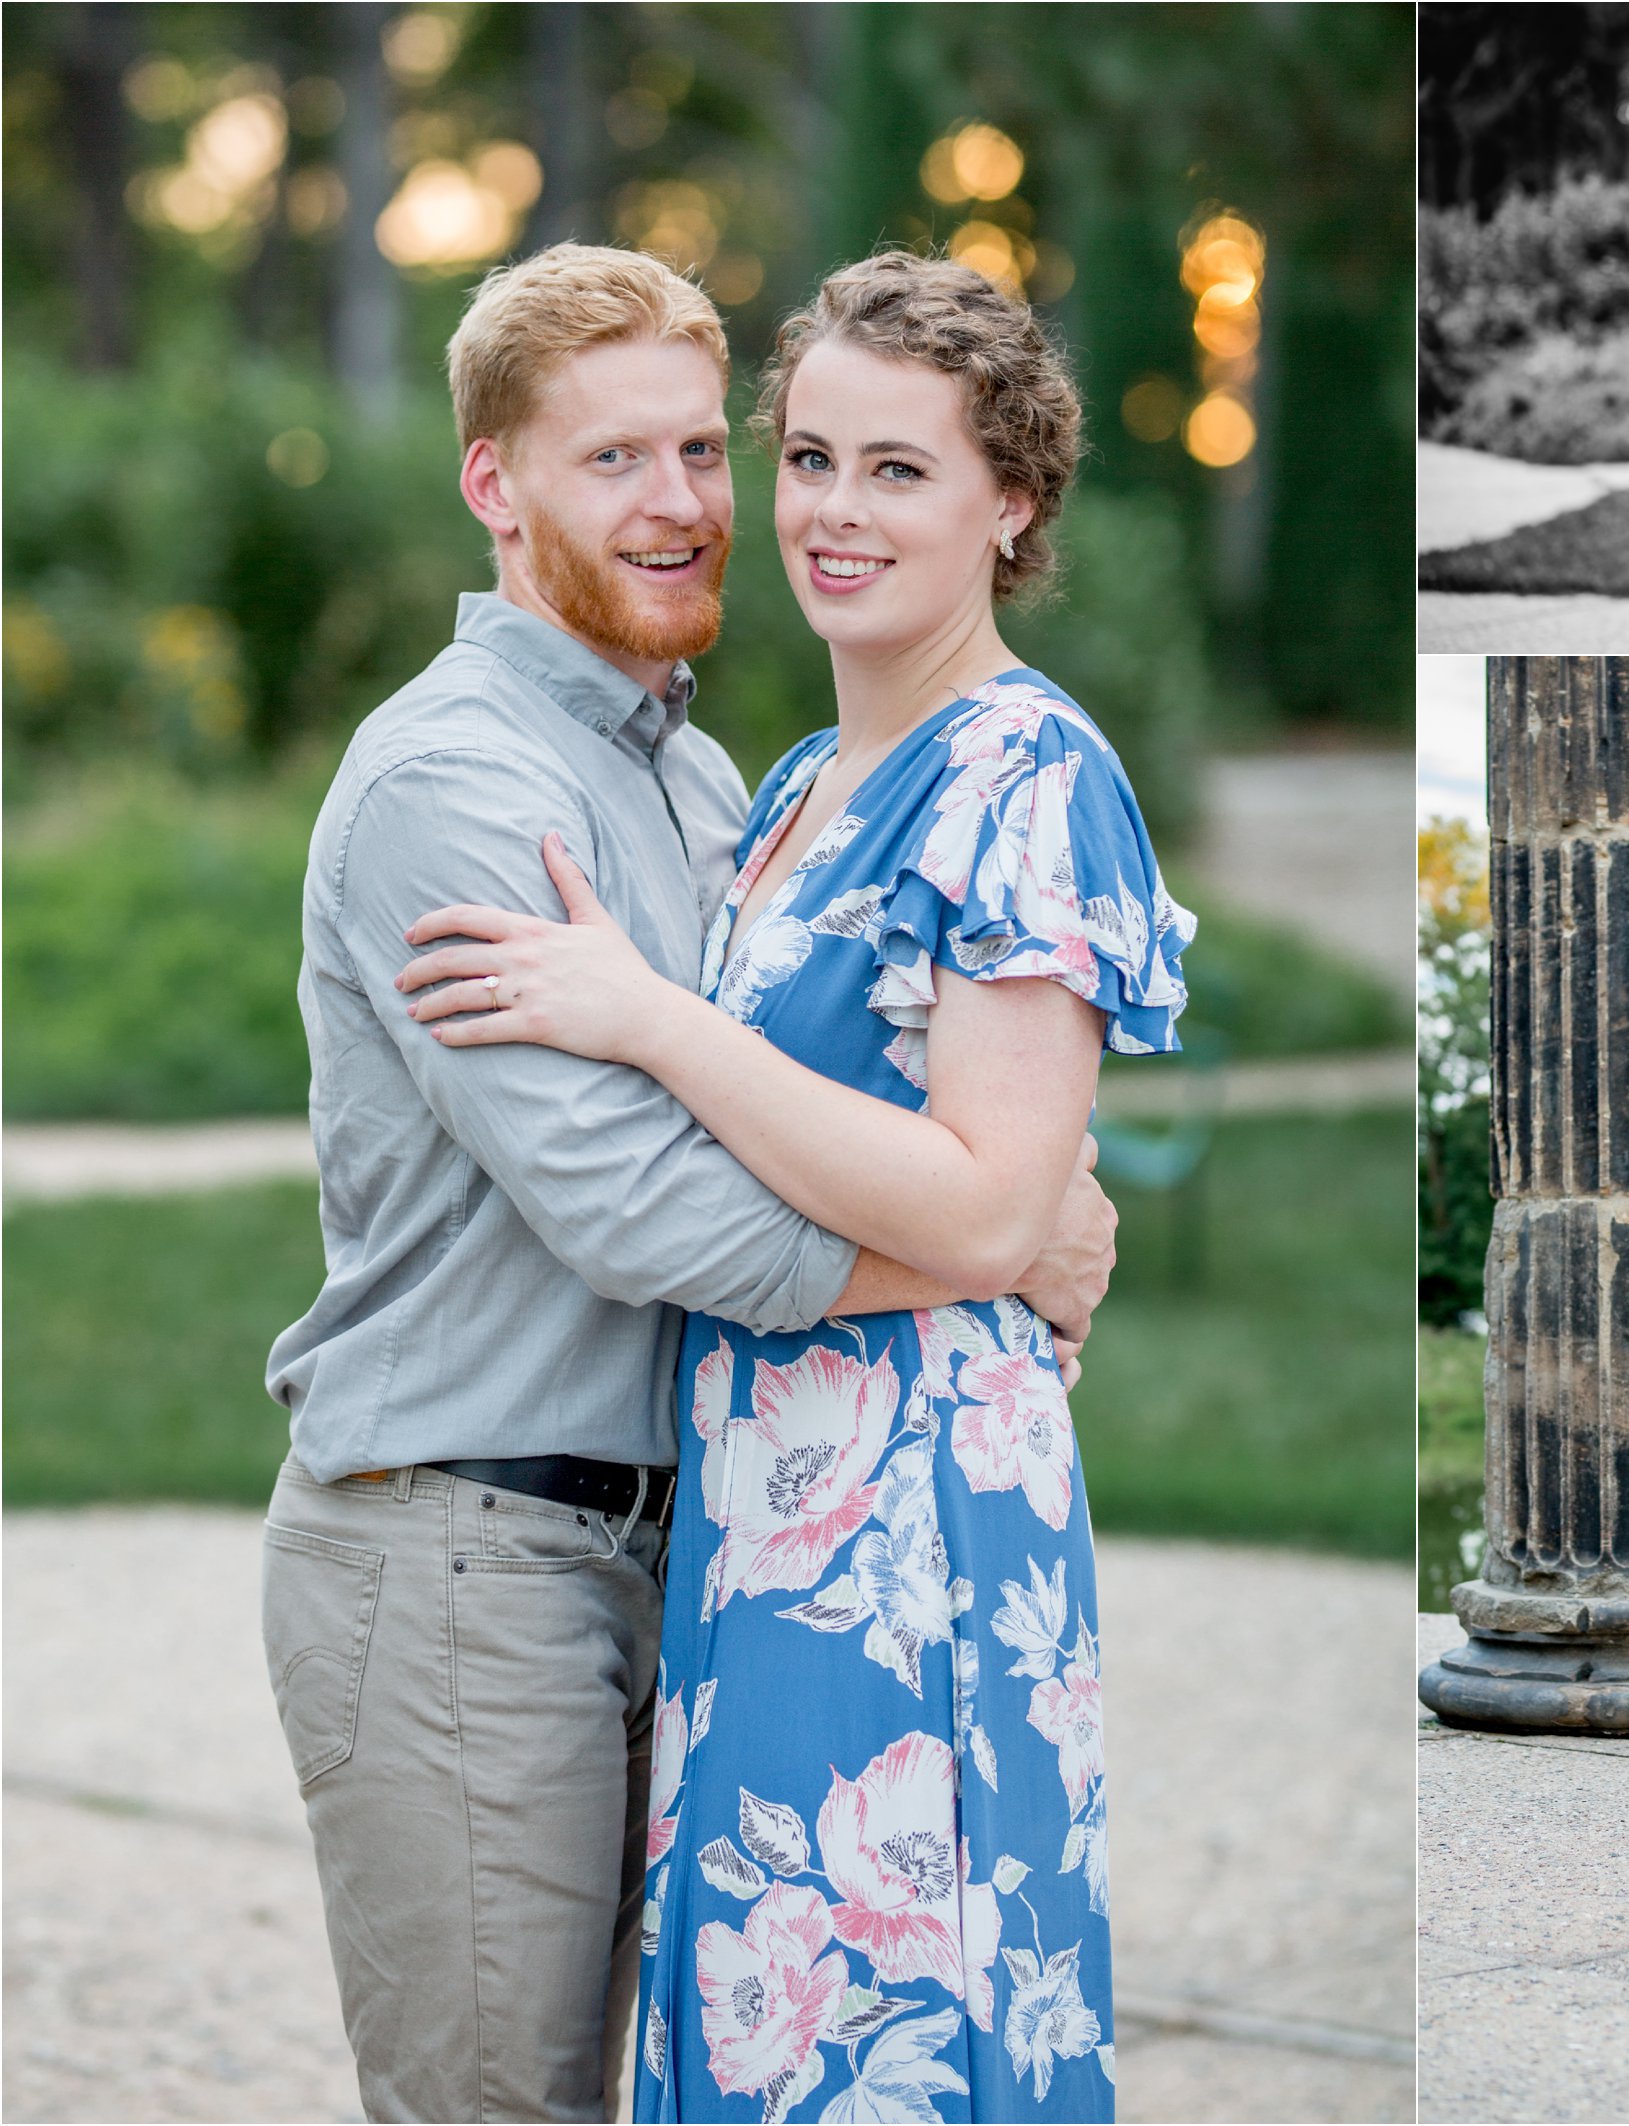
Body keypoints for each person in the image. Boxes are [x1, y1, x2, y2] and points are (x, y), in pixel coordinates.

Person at [261, 244, 1118, 2123]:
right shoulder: (456, 787)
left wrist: (1014, 1198)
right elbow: (638, 1208)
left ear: (1008, 501)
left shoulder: (721, 782)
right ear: (493, 483)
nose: (684, 506)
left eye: (699, 454)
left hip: (710, 1546)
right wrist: (991, 1242)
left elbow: (893, 1091)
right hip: (469, 1542)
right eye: (608, 461)